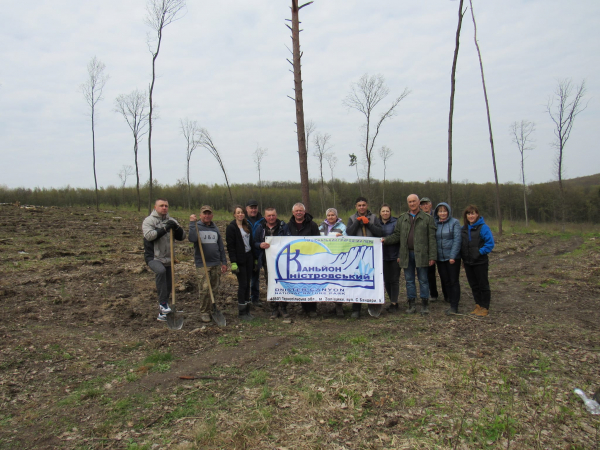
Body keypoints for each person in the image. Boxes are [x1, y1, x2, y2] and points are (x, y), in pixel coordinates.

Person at [383, 194, 437, 315]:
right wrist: (385, 240)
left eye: (414, 201)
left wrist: (432, 256)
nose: (412, 204)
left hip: (422, 254)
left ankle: (424, 304)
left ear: (418, 202)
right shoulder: (402, 219)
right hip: (406, 255)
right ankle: (411, 304)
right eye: (410, 202)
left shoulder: (427, 219)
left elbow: (432, 239)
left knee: (423, 280)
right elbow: (397, 235)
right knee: (409, 280)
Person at [142, 198, 186, 321]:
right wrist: (165, 229)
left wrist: (176, 228)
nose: (164, 208)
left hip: (168, 258)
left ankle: (163, 313)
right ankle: (162, 304)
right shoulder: (149, 221)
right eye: (161, 205)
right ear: (155, 207)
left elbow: (182, 237)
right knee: (160, 271)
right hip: (154, 257)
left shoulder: (171, 220)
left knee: (168, 284)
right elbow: (149, 236)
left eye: (166, 206)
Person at [188, 205, 227, 323]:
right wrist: (191, 224)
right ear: (200, 215)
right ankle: (204, 311)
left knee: (214, 288)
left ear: (212, 215)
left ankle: (212, 309)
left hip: (216, 263)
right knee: (205, 288)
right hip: (203, 264)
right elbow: (192, 238)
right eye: (204, 213)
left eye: (209, 213)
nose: (207, 215)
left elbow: (220, 246)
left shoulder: (215, 228)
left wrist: (224, 262)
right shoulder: (196, 226)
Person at [346, 197, 383, 318]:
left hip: (372, 255)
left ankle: (372, 305)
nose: (361, 207)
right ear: (356, 207)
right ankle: (356, 308)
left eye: (363, 205)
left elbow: (380, 232)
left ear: (367, 206)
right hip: (357, 255)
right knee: (357, 280)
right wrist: (358, 222)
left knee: (371, 280)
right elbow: (349, 233)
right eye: (359, 205)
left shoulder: (374, 218)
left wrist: (368, 224)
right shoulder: (352, 218)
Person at [255, 207, 291, 322]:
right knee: (270, 283)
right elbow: (254, 242)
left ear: (276, 215)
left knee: (283, 283)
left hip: (282, 260)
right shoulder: (261, 227)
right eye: (269, 215)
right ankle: (274, 308)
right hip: (267, 261)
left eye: (273, 215)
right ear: (265, 217)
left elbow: (289, 240)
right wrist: (260, 245)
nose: (271, 217)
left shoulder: (283, 226)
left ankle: (284, 308)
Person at [460, 205, 495, 317]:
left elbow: (490, 243)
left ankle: (485, 307)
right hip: (468, 262)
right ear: (466, 216)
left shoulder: (483, 228)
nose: (471, 216)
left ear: (477, 214)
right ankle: (478, 305)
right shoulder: (464, 229)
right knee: (473, 285)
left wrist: (479, 252)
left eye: (473, 213)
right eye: (469, 214)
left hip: (480, 262)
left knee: (483, 284)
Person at [288, 203, 320, 317]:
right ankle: (304, 307)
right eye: (296, 211)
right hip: (296, 259)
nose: (298, 212)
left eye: (300, 210)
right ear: (293, 213)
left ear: (304, 212)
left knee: (311, 282)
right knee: (300, 282)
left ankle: (312, 309)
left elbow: (318, 242)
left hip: (310, 258)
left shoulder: (312, 225)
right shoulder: (289, 225)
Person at [226, 205, 256, 321]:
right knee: (242, 284)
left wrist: (254, 258)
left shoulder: (247, 226)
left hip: (249, 257)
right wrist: (233, 262)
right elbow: (230, 246)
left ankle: (248, 310)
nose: (240, 214)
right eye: (238, 212)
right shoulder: (231, 228)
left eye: (242, 212)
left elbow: (251, 243)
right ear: (234, 214)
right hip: (239, 259)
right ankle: (242, 311)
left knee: (248, 283)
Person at [433, 202, 462, 315]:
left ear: (448, 212)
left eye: (444, 211)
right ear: (437, 213)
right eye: (440, 211)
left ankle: (454, 306)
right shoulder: (435, 224)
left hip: (452, 258)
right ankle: (450, 300)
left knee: (453, 281)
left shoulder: (455, 223)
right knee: (445, 281)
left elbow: (457, 240)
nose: (442, 213)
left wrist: (452, 256)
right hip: (440, 258)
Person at [378, 204, 400, 312]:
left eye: (387, 211)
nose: (385, 213)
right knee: (386, 280)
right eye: (383, 211)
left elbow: (399, 237)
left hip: (394, 256)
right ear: (380, 213)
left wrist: (385, 240)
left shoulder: (396, 222)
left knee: (394, 280)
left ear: (390, 212)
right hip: (382, 256)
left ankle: (395, 303)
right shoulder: (377, 223)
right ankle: (391, 300)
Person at [420, 197, 443, 303]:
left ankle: (447, 295)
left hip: (442, 248)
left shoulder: (438, 216)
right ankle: (433, 294)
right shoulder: (420, 217)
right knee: (430, 274)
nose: (425, 206)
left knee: (444, 274)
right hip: (428, 249)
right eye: (423, 204)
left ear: (431, 205)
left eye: (427, 204)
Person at [245, 199, 265, 307]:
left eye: (255, 208)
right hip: (246, 252)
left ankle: (255, 298)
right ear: (247, 208)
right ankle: (245, 298)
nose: (253, 210)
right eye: (251, 208)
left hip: (257, 252)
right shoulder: (243, 220)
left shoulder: (262, 220)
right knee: (245, 277)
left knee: (255, 277)